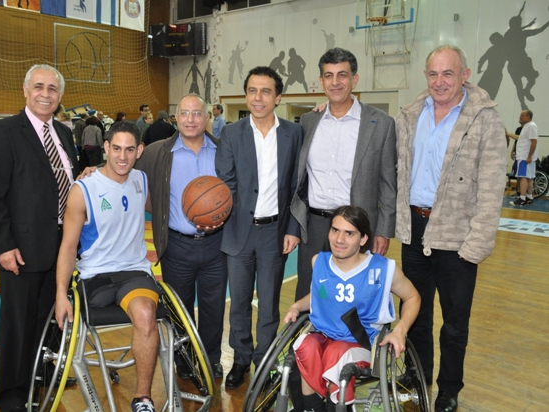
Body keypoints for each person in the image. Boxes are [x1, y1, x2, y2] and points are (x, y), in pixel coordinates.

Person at [395, 45, 506, 412]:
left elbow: (491, 188)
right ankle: (417, 375)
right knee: (415, 312)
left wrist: (475, 245)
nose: (439, 82)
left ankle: (449, 388)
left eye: (447, 74)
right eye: (432, 74)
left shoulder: (485, 120)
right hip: (414, 230)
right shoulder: (411, 115)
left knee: (455, 323)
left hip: (458, 236)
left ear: (465, 74)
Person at [0, 64, 80, 412]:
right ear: (25, 90)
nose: (45, 94)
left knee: (52, 319)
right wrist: (3, 245)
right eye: (39, 86)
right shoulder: (3, 132)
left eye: (52, 89)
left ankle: (42, 376)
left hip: (61, 245)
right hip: (21, 249)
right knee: (17, 326)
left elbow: (63, 183)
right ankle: (11, 396)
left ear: (60, 96)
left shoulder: (64, 134)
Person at [55, 121, 158, 412]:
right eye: (116, 149)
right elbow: (67, 247)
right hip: (95, 276)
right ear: (105, 148)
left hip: (134, 272)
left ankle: (142, 398)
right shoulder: (83, 189)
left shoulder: (142, 180)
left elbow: (161, 208)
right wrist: (61, 294)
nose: (122, 156)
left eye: (129, 149)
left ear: (139, 150)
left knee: (146, 315)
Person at [215, 66, 302, 389]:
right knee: (238, 302)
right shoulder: (232, 133)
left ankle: (264, 360)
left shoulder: (294, 134)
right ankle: (240, 358)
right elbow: (226, 184)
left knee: (268, 303)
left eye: (266, 91)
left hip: (274, 232)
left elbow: (297, 185)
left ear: (278, 97)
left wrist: (293, 227)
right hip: (238, 231)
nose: (258, 97)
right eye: (252, 90)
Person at [284, 205, 420, 411]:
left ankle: (337, 405)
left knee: (338, 354)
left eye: (349, 233)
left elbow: (413, 297)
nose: (339, 240)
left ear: (363, 239)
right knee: (305, 346)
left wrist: (400, 331)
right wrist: (296, 306)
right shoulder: (318, 262)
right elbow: (320, 294)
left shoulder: (382, 268)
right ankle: (312, 407)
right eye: (335, 230)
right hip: (324, 335)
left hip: (361, 342)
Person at [290, 48, 397, 302]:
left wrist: (383, 231)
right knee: (310, 295)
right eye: (328, 76)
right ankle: (307, 343)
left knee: (356, 299)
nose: (335, 82)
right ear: (321, 81)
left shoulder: (381, 123)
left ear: (355, 79)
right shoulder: (308, 121)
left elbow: (389, 185)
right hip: (314, 227)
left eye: (342, 75)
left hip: (357, 227)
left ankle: (355, 344)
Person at [136, 94, 227, 380]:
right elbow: (132, 183)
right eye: (184, 113)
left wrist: (217, 216)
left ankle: (211, 360)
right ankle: (185, 361)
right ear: (176, 117)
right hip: (176, 244)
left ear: (207, 117)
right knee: (180, 309)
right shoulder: (156, 152)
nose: (190, 119)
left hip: (216, 245)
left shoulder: (224, 150)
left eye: (197, 113)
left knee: (213, 308)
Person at [509, 109, 538, 206]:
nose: (520, 117)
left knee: (523, 177)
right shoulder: (527, 126)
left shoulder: (531, 126)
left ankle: (522, 198)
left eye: (522, 115)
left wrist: (529, 156)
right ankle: (529, 197)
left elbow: (534, 142)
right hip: (524, 156)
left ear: (528, 116)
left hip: (525, 157)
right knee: (529, 178)